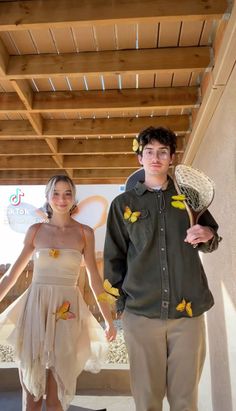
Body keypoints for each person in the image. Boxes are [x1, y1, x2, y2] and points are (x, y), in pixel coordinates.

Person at [104, 127, 221, 411]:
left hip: (188, 313)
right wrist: (118, 306)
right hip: (141, 314)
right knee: (147, 402)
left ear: (171, 158)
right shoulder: (123, 205)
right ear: (139, 158)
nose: (156, 158)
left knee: (185, 401)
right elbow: (113, 258)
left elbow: (211, 237)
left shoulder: (190, 197)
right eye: (149, 152)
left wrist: (207, 235)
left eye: (163, 152)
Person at [0, 175, 116, 411]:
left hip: (67, 311)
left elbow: (95, 279)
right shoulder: (35, 230)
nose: (61, 199)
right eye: (56, 193)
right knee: (31, 394)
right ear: (47, 196)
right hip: (36, 309)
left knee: (56, 395)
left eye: (67, 193)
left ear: (74, 198)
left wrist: (108, 320)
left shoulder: (84, 233)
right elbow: (11, 276)